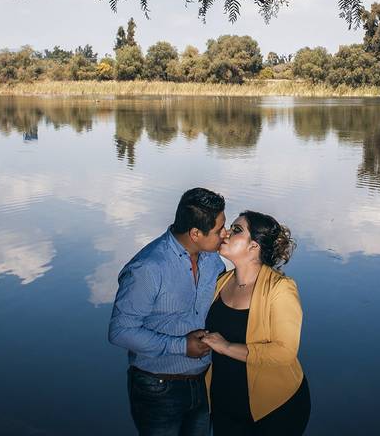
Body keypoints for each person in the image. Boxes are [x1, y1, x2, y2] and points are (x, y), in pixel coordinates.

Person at [108, 187, 229, 436]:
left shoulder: (213, 261)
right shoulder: (148, 268)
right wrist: (181, 346)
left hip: (204, 382)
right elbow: (120, 332)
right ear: (195, 233)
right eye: (219, 230)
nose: (225, 235)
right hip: (158, 389)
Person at [201, 211, 311, 435]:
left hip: (274, 408)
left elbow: (284, 352)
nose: (227, 233)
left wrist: (226, 347)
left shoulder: (280, 289)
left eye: (237, 229)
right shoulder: (221, 281)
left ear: (254, 247)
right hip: (223, 402)